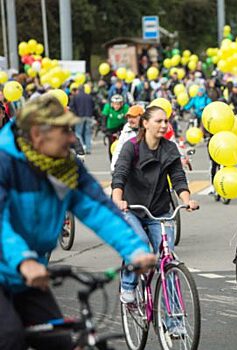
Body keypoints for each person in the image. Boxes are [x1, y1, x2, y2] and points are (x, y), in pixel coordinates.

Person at [0, 95, 156, 350]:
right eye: (65, 131)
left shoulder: (64, 166)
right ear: (38, 135)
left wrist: (134, 250)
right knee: (9, 338)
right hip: (19, 265)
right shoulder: (5, 161)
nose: (73, 138)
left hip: (26, 275)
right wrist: (24, 260)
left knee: (59, 341)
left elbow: (99, 210)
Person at [112, 106, 198, 304]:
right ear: (145, 123)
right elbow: (120, 174)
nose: (163, 125)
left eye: (166, 121)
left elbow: (178, 178)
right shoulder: (131, 147)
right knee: (140, 243)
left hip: (159, 211)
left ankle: (175, 323)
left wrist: (187, 201)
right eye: (158, 121)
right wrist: (118, 199)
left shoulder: (169, 148)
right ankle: (128, 285)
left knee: (168, 259)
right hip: (132, 208)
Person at [110, 104, 144, 172]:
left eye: (133, 117)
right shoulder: (126, 128)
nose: (130, 120)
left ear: (141, 117)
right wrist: (114, 168)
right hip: (130, 168)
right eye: (129, 117)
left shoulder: (150, 128)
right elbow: (118, 150)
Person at [70, 85, 95, 154]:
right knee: (88, 133)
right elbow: (93, 105)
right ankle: (88, 149)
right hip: (88, 116)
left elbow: (72, 107)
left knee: (78, 132)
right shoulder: (89, 96)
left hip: (79, 116)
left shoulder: (75, 97)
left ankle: (82, 147)